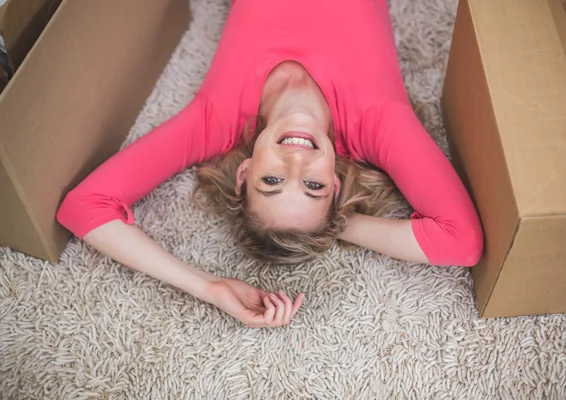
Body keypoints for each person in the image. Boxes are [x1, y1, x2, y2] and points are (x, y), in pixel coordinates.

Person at [57, 0, 484, 328]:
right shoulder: (378, 121)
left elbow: (83, 206)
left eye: (273, 180)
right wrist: (330, 227)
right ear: (336, 184)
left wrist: (210, 287)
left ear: (243, 174)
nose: (297, 161)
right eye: (314, 187)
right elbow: (460, 240)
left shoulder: (213, 121)